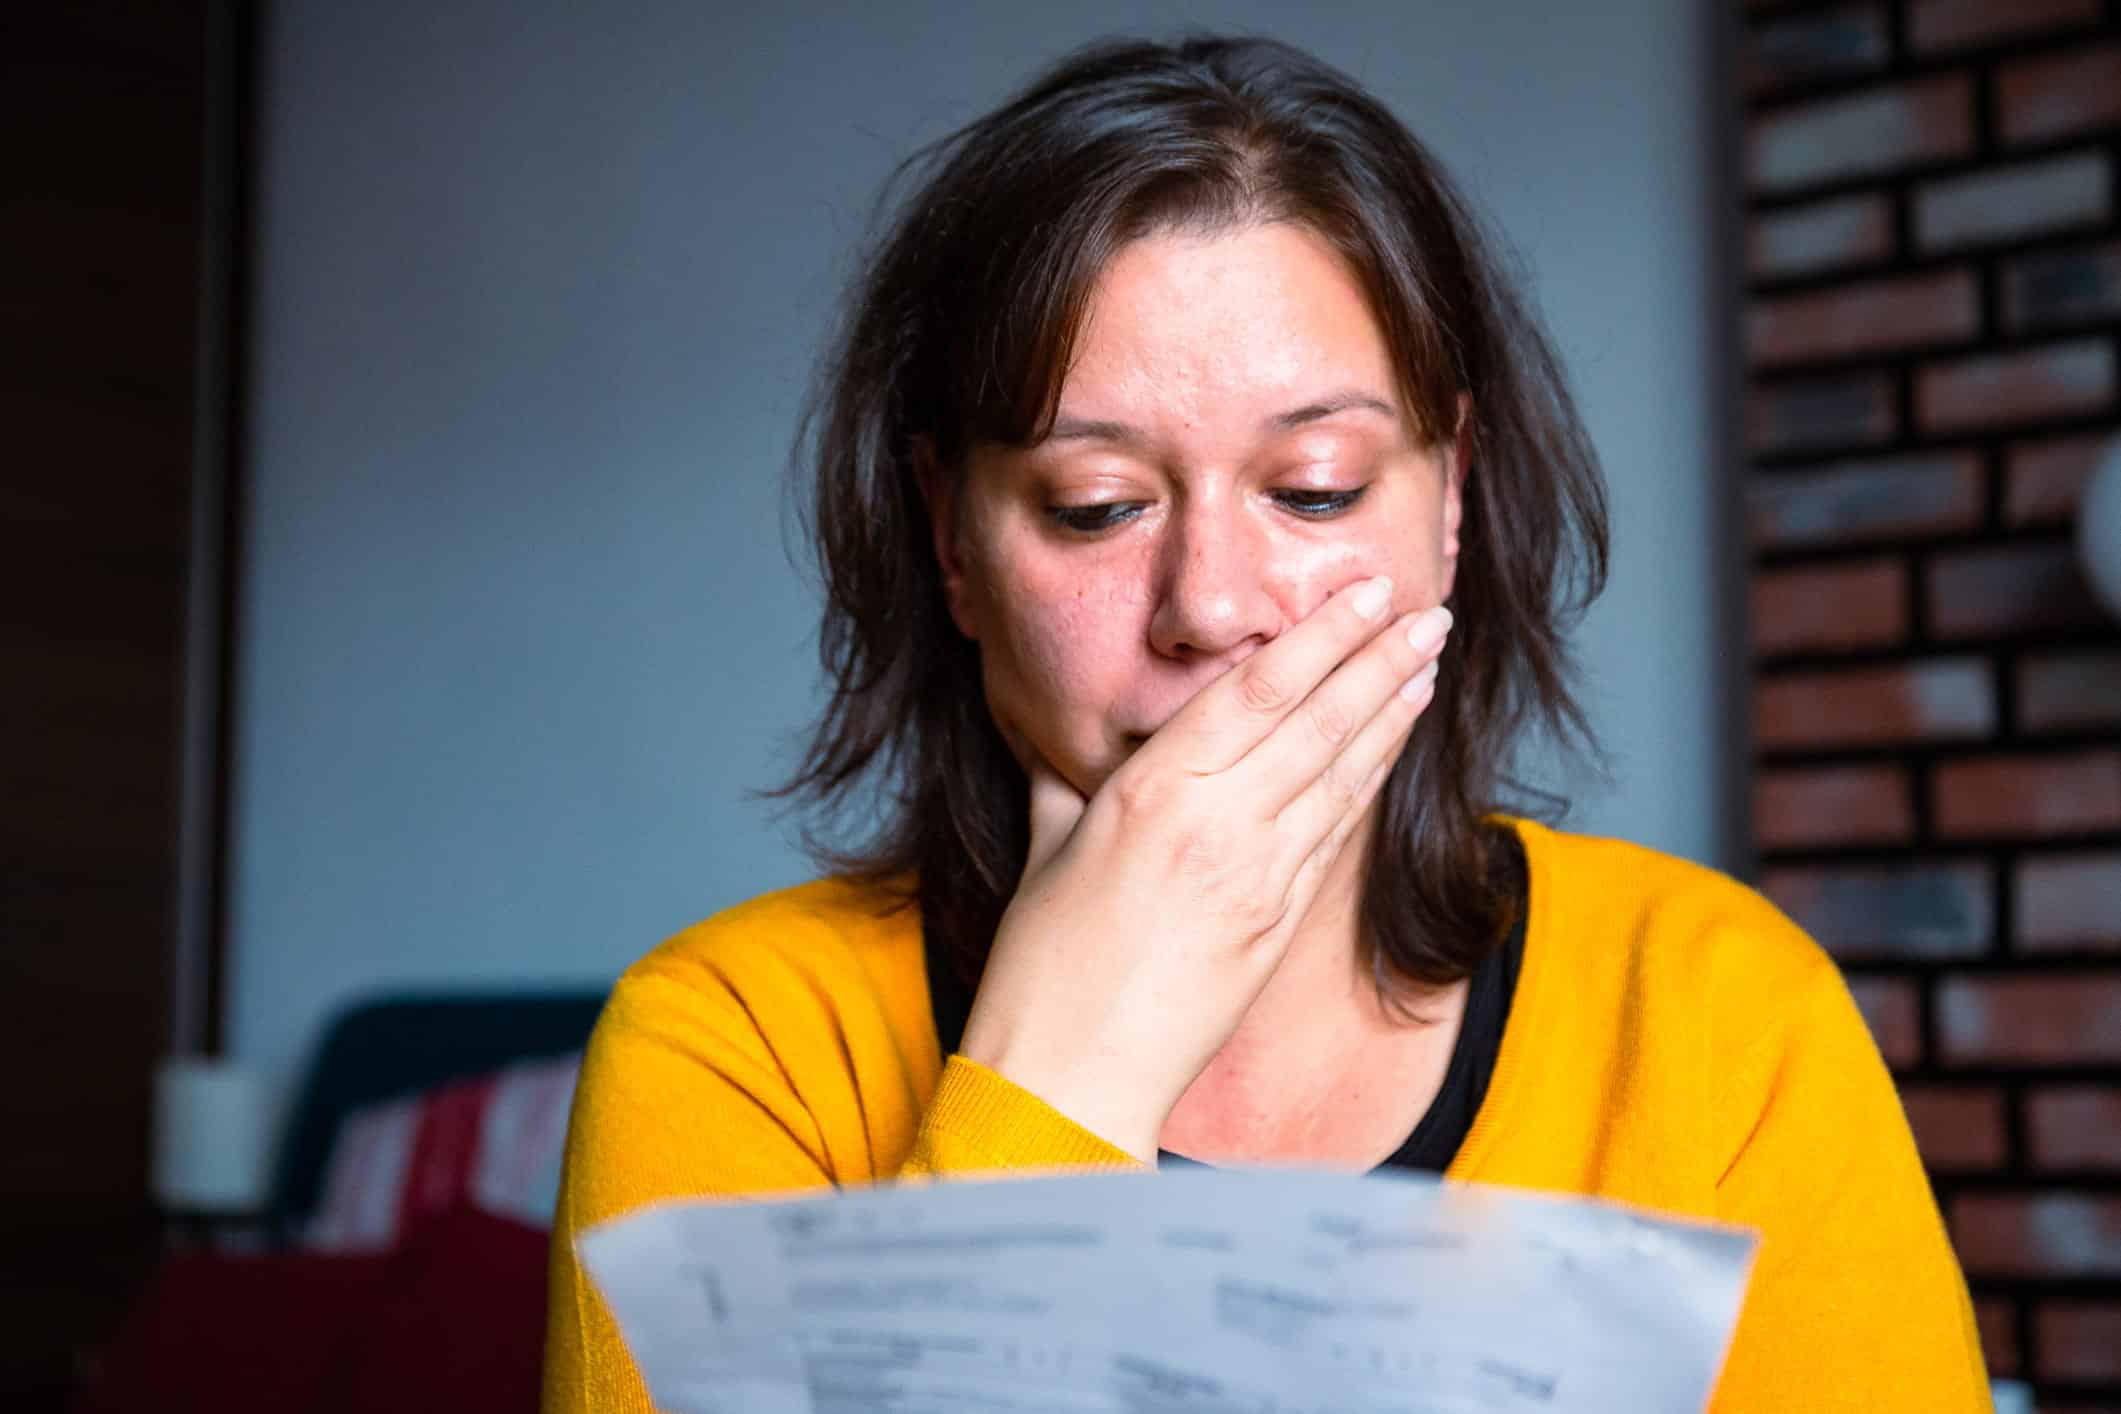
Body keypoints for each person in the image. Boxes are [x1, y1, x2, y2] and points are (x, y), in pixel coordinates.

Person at [543, 34, 1988, 1412]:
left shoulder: (1719, 1016)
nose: (1213, 605)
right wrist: (1066, 1072)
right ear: (950, 539)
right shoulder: (733, 1046)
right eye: (1095, 505)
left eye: (1312, 488)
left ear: (1452, 502)